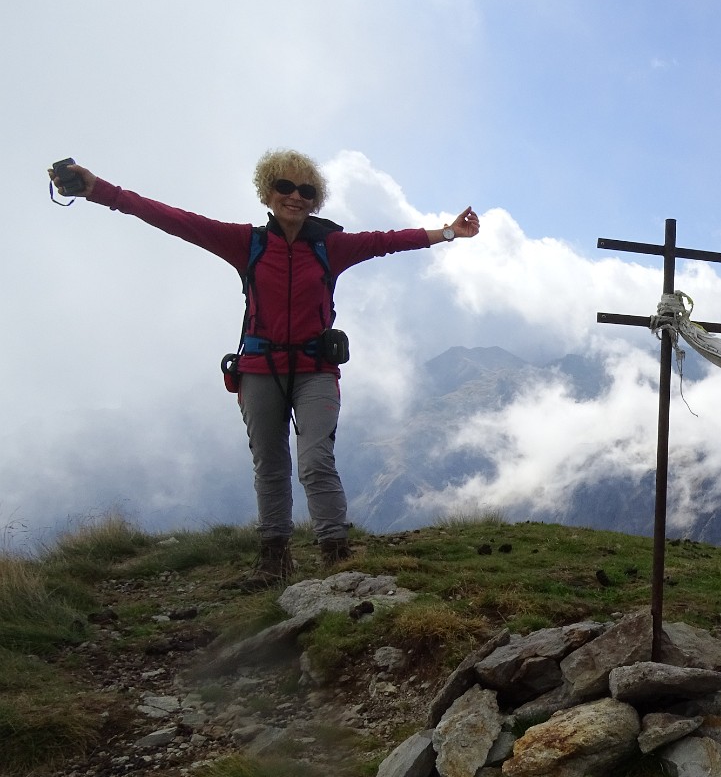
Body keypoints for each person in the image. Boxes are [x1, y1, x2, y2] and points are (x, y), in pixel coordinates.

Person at [50, 150, 481, 584]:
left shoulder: (329, 247)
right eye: (285, 187)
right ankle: (274, 560)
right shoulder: (248, 243)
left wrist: (448, 232)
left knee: (315, 461)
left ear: (316, 200)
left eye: (306, 191)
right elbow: (175, 220)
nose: (295, 197)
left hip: (315, 369)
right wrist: (99, 191)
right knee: (270, 465)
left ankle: (337, 557)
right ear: (268, 192)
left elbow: (387, 240)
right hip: (259, 369)